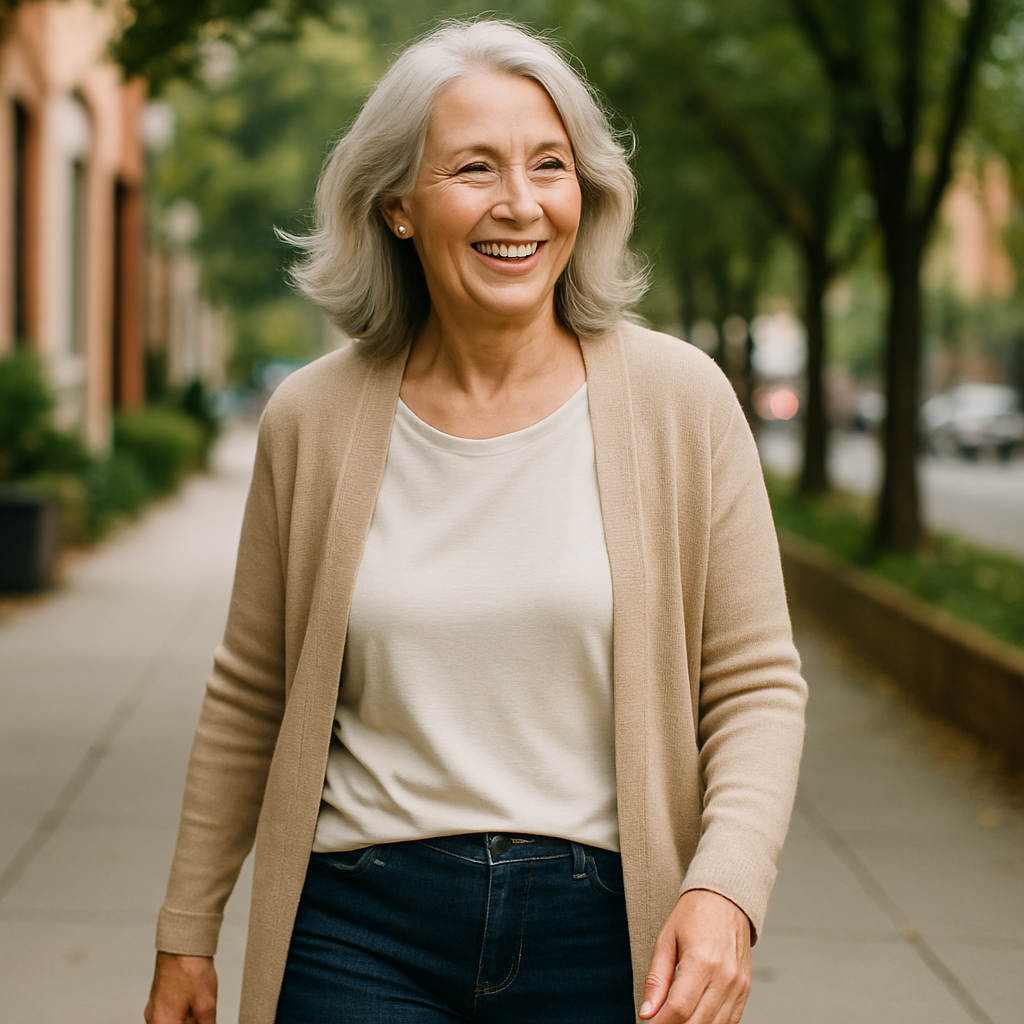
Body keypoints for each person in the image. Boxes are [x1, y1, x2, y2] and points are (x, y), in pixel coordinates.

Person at [145, 19, 807, 1024]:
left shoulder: (682, 401)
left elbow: (756, 684)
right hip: (359, 932)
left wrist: (726, 889)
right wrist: (187, 929)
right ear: (397, 207)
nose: (520, 204)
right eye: (475, 167)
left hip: (608, 935)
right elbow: (250, 691)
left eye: (550, 165)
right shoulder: (312, 418)